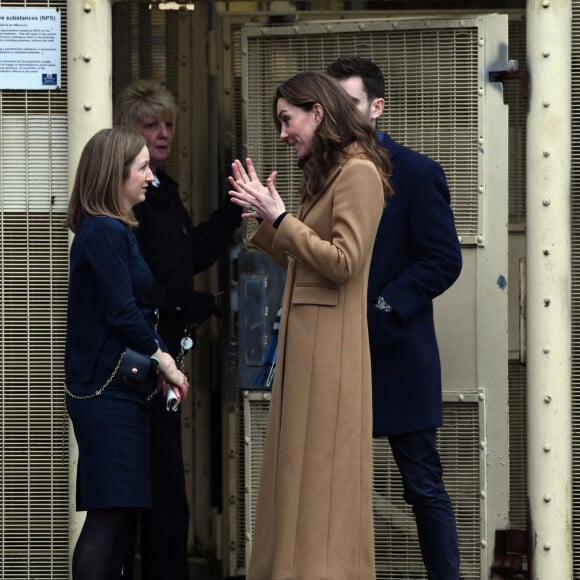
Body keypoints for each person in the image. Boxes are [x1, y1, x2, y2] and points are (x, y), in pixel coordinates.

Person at [228, 71, 392, 580]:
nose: (282, 133)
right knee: (298, 480)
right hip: (309, 354)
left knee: (322, 485)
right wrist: (267, 218)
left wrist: (280, 218)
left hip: (331, 358)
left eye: (287, 119)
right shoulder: (329, 174)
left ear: (317, 114)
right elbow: (306, 261)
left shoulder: (359, 174)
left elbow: (344, 262)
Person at [327, 56, 463, 580]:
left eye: (351, 105)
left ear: (377, 108)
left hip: (398, 353)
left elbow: (443, 259)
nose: (339, 118)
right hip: (338, 353)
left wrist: (385, 305)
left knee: (422, 485)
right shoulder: (321, 173)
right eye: (331, 107)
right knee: (333, 487)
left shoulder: (418, 172)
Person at [114, 79, 242, 580]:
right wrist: (204, 303)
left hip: (162, 351)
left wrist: (237, 207)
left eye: (168, 124)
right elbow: (150, 284)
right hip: (145, 355)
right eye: (151, 125)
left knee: (163, 481)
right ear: (130, 132)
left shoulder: (162, 190)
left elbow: (188, 256)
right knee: (158, 482)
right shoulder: (133, 199)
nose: (163, 134)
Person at [64, 127, 189, 580]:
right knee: (110, 515)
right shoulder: (102, 232)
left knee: (119, 514)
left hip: (118, 389)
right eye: (141, 168)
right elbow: (121, 312)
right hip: (105, 393)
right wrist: (165, 359)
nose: (150, 177)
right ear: (114, 176)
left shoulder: (113, 230)